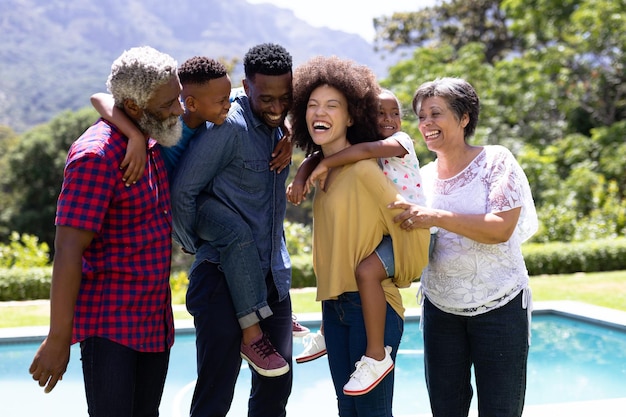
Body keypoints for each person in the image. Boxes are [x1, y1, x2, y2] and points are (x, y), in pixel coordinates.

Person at [91, 56, 300, 375]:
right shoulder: (164, 121)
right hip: (175, 205)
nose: (228, 106)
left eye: (227, 97)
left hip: (201, 198)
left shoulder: (216, 105)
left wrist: (286, 132)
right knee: (234, 232)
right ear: (190, 103)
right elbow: (100, 97)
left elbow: (260, 101)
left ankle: (266, 310)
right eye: (221, 101)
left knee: (241, 232)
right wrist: (133, 135)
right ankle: (252, 333)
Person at [28, 46, 183, 416]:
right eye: (168, 103)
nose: (178, 109)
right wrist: (58, 337)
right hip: (111, 327)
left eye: (177, 97)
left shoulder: (149, 137)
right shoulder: (95, 158)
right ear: (132, 107)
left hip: (152, 322)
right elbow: (67, 250)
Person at [389, 77, 538, 417]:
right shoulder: (421, 176)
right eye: (421, 116)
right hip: (440, 310)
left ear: (465, 117)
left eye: (436, 113)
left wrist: (436, 216)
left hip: (500, 306)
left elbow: (500, 229)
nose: (426, 124)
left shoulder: (496, 161)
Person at [290, 55, 430, 415]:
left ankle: (377, 355)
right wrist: (307, 171)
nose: (320, 111)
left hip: (371, 309)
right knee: (346, 409)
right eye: (312, 104)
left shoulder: (366, 171)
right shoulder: (323, 174)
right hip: (333, 308)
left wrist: (399, 267)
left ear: (351, 116)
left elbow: (411, 223)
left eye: (332, 105)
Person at [170, 43, 294, 417]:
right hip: (221, 280)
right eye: (266, 98)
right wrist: (193, 243)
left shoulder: (282, 123)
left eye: (284, 98)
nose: (276, 107)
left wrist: (290, 129)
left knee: (275, 395)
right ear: (246, 86)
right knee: (215, 396)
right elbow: (183, 192)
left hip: (273, 278)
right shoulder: (229, 127)